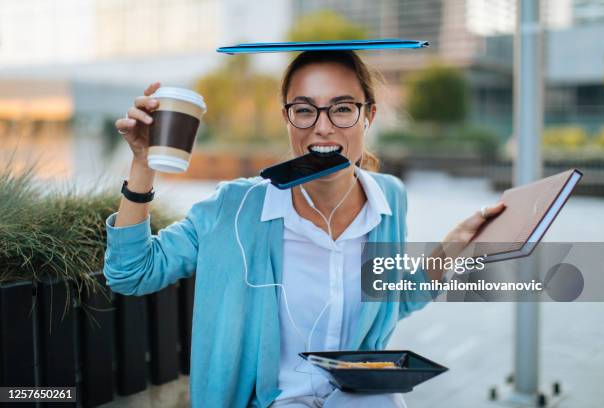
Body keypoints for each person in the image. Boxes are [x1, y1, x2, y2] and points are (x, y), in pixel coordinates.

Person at [105, 50, 505, 408]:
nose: (323, 127)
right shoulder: (235, 208)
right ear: (287, 118)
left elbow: (394, 300)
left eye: (343, 108)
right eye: (304, 109)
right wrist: (143, 164)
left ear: (370, 115)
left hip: (355, 396)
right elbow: (131, 273)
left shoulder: (388, 199)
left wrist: (452, 248)